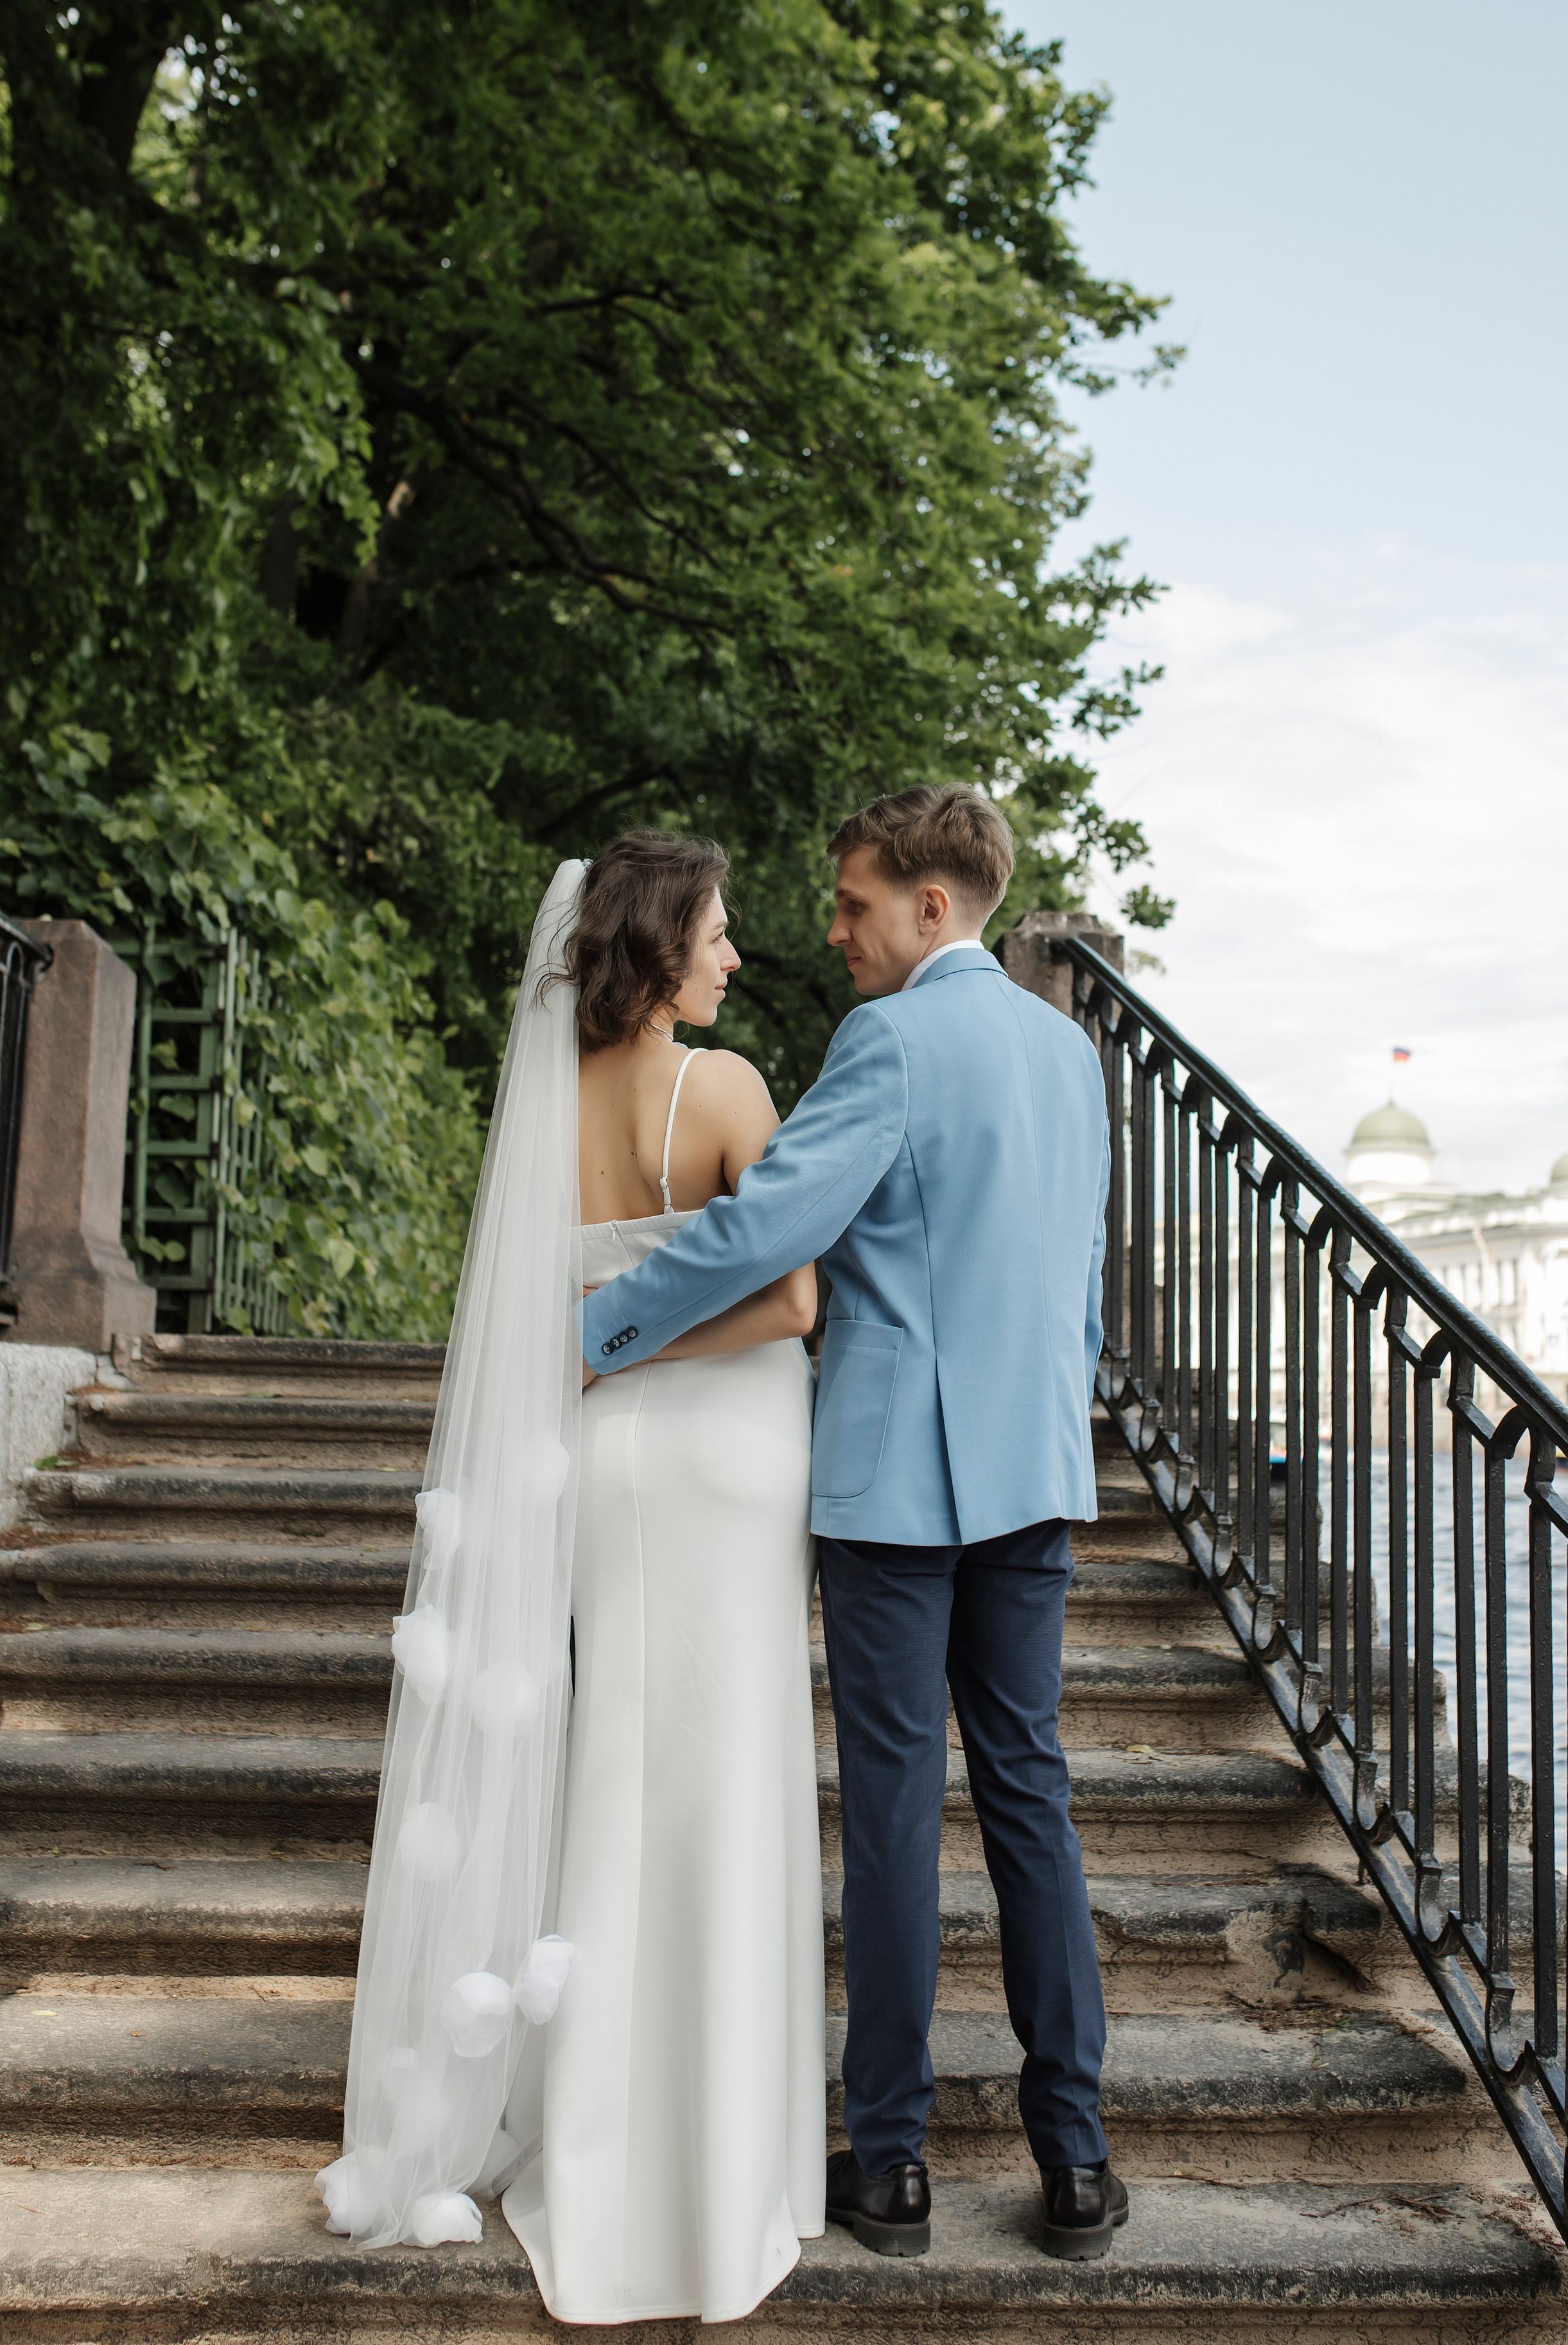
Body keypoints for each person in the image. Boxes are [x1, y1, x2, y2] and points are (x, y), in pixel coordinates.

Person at [582, 783, 1126, 2264]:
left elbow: (771, 1226)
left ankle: (887, 2172)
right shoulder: (1069, 1054)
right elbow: (1081, 1284)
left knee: (891, 1817)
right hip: (1031, 1477)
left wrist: (600, 1328)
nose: (831, 932)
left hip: (893, 1494)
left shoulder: (887, 1039)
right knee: (1030, 1797)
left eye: (852, 903)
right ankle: (1072, 2163)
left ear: (932, 907)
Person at [318, 835, 825, 2324]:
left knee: (616, 1781)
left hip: (605, 1469)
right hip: (730, 1470)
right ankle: (730, 2161)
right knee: (726, 1792)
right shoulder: (719, 1092)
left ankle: (596, 2133)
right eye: (718, 935)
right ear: (661, 948)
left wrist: (595, 1343)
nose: (734, 958)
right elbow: (792, 1296)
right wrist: (639, 1337)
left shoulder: (547, 1103)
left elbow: (543, 1311)